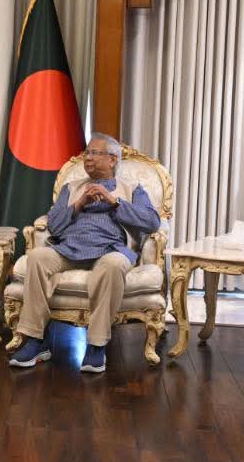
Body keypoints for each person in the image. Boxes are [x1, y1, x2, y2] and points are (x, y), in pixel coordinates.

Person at [8, 133, 162, 374]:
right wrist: (79, 203)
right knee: (37, 258)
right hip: (68, 249)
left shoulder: (132, 189)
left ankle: (96, 345)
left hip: (111, 250)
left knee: (113, 265)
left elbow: (152, 222)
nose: (88, 158)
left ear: (112, 159)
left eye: (95, 153)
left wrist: (114, 202)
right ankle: (36, 340)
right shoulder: (71, 188)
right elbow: (54, 225)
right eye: (87, 153)